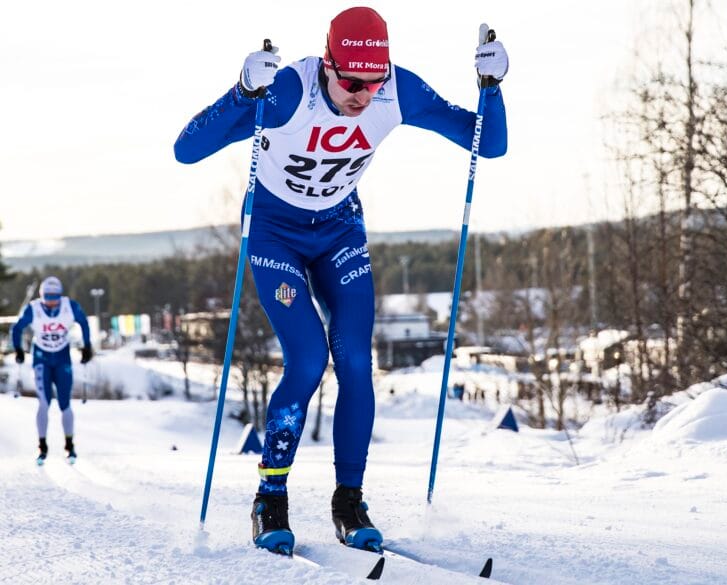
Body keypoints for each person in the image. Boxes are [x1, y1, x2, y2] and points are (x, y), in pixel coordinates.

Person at [174, 6, 508, 555]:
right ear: (327, 65)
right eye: (352, 83)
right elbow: (187, 150)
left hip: (339, 231)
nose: (363, 97)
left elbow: (487, 144)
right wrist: (243, 92)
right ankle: (270, 497)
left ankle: (349, 502)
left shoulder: (397, 91)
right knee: (307, 360)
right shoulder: (290, 91)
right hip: (276, 235)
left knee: (355, 361)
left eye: (373, 83)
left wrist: (491, 87)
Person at [12, 276, 93, 464]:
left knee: (65, 403)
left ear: (60, 295)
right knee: (43, 402)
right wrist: (18, 349)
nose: (51, 302)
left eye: (55, 297)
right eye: (47, 297)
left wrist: (87, 346)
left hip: (62, 357)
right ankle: (42, 446)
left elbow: (84, 322)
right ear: (41, 296)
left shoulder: (70, 306)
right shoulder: (33, 309)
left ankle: (69, 445)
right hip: (42, 358)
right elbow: (17, 328)